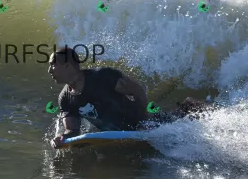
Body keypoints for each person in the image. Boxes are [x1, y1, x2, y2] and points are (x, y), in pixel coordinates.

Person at [48, 47, 208, 149]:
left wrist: (144, 119)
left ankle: (192, 106)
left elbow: (137, 91)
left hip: (141, 122)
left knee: (178, 123)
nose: (49, 70)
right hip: (121, 133)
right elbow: (72, 130)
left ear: (67, 65)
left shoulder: (102, 76)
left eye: (52, 65)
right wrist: (63, 137)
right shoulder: (65, 98)